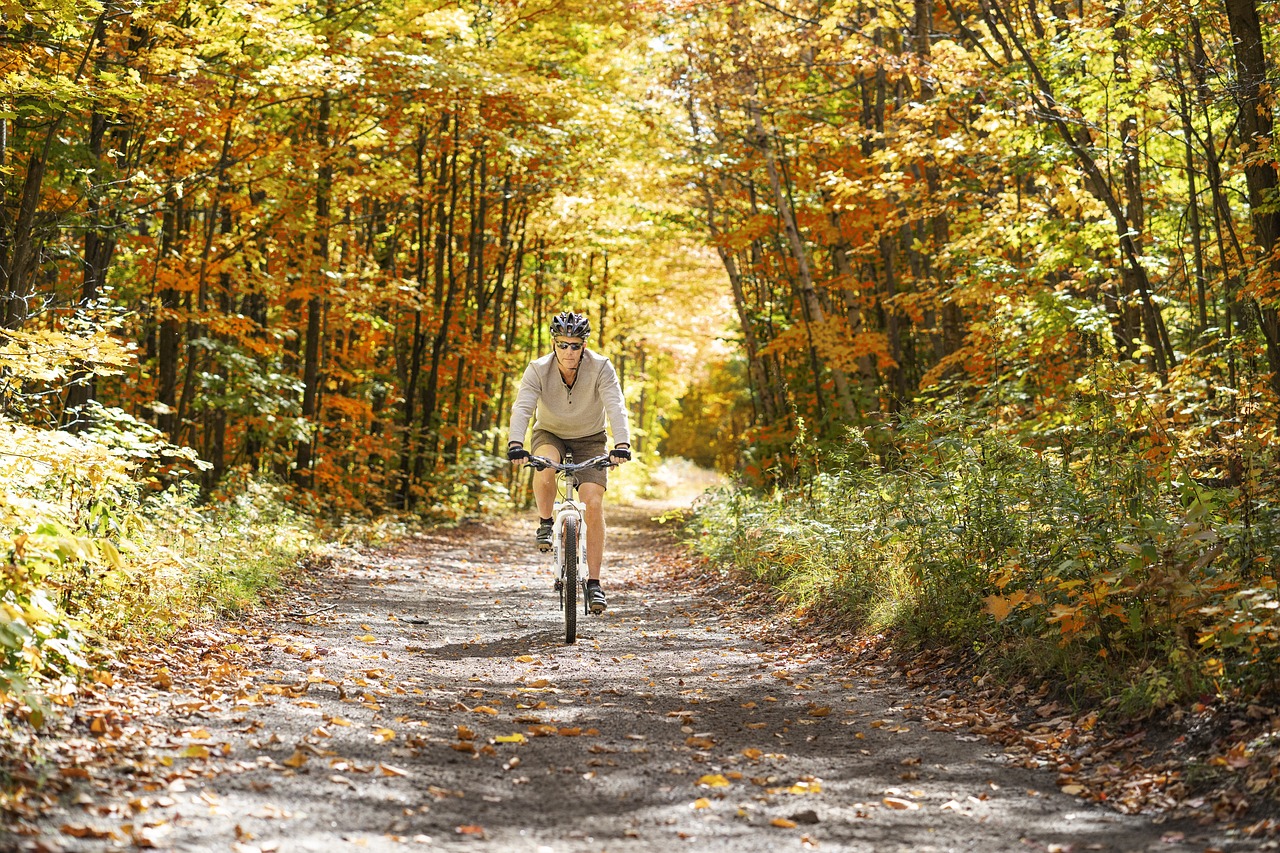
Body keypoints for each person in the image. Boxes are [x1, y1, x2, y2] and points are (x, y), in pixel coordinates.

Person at [507, 311, 631, 614]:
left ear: (584, 345)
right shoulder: (537, 369)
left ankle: (594, 583)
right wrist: (515, 443)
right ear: (553, 343)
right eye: (563, 345)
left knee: (593, 501)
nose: (568, 352)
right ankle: (546, 523)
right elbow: (523, 406)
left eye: (575, 345)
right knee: (545, 464)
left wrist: (622, 444)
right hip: (550, 433)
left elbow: (616, 404)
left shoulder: (601, 367)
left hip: (590, 438)